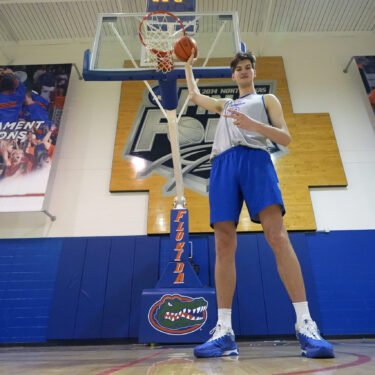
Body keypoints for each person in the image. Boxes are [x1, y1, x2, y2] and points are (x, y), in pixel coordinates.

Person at [184, 51, 334, 359]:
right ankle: (224, 332)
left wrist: (254, 124)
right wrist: (187, 64)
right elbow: (196, 96)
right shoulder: (225, 105)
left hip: (256, 159)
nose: (243, 71)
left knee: (277, 236)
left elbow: (286, 138)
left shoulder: (267, 100)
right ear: (232, 75)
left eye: (247, 67)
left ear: (253, 72)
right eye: (238, 68)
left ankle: (306, 324)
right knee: (223, 245)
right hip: (223, 164)